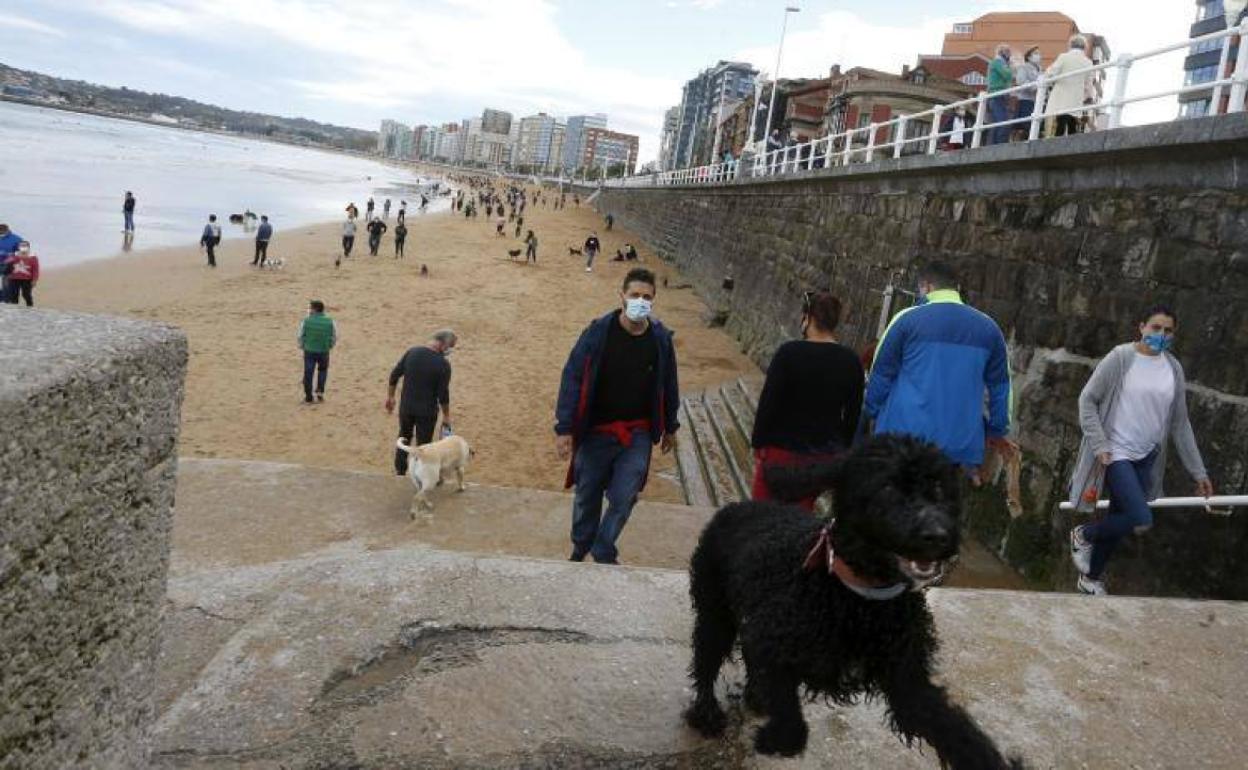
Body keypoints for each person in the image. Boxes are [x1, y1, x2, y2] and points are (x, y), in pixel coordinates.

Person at [1067, 305, 1214, 596]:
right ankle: (1083, 534)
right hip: (1116, 454)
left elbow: (1180, 424)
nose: (1161, 335)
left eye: (1168, 330)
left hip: (1146, 457)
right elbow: (1088, 400)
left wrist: (1199, 472)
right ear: (1141, 327)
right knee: (1140, 517)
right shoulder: (1121, 359)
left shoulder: (1173, 369)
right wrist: (1100, 445)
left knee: (1118, 521)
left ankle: (1091, 579)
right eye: (1156, 327)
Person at [554, 267, 680, 564]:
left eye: (646, 297)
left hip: (636, 433)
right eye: (634, 295)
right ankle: (581, 545)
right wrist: (564, 428)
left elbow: (669, 383)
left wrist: (671, 426)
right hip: (595, 430)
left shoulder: (660, 340)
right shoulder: (597, 333)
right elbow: (571, 377)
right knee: (587, 495)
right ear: (621, 296)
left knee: (625, 495)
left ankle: (603, 547)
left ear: (654, 301)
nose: (640, 301)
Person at [864, 261, 1011, 468]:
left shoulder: (906, 320)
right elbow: (1000, 386)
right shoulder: (989, 328)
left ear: (927, 286)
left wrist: (871, 411)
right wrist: (996, 428)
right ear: (956, 288)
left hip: (902, 439)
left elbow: (881, 375)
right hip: (959, 446)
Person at [751, 292, 863, 510]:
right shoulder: (851, 361)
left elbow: (769, 402)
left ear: (808, 318)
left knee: (759, 515)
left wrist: (758, 443)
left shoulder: (788, 353)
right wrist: (839, 450)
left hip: (780, 451)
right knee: (799, 516)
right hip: (819, 457)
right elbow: (853, 415)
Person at [386, 330, 457, 475]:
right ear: (443, 344)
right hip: (427, 412)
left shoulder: (412, 352)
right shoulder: (443, 365)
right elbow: (443, 394)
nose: (450, 350)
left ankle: (400, 470)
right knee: (424, 444)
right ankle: (420, 473)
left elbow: (394, 375)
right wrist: (446, 415)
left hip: (406, 407)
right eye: (451, 346)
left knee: (403, 436)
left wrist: (391, 397)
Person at [1046, 35, 1094, 137]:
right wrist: (1089, 97)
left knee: (1059, 125)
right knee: (1072, 124)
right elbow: (1089, 84)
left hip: (1061, 96)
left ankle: (1055, 147)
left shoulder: (1064, 57)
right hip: (1076, 98)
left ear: (1071, 45)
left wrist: (1046, 82)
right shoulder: (1088, 62)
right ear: (1084, 47)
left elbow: (1051, 73)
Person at [297, 300, 337, 404]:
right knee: (323, 371)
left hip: (309, 350)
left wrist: (302, 346)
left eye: (310, 308)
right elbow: (334, 336)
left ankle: (308, 397)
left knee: (308, 373)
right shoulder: (330, 321)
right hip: (324, 350)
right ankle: (320, 392)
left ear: (314, 309)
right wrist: (330, 346)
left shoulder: (306, 321)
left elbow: (300, 336)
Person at [986, 43, 1014, 145]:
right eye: (1007, 52)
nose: (1009, 54)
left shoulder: (999, 63)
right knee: (1002, 121)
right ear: (1001, 52)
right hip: (996, 95)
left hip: (999, 96)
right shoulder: (997, 62)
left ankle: (994, 144)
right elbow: (1007, 75)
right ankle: (998, 145)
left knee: (998, 122)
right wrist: (1011, 67)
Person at [1015, 47, 1043, 138]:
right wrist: (1034, 87)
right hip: (1026, 100)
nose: (1038, 56)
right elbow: (1021, 81)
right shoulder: (1024, 67)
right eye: (1035, 53)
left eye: (1039, 53)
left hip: (1037, 101)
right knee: (1026, 125)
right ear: (1029, 57)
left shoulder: (1040, 70)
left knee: (1036, 124)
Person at [3, 241, 39, 306]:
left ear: (28, 247)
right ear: (19, 247)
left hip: (27, 279)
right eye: (21, 246)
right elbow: (6, 262)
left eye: (25, 246)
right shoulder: (14, 255)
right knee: (14, 294)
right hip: (13, 278)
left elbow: (35, 269)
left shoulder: (33, 257)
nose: (23, 247)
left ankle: (30, 305)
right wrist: (15, 257)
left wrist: (34, 280)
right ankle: (15, 308)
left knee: (26, 294)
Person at [0, 223, 23, 301]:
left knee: (6, 285)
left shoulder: (17, 239)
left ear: (7, 230)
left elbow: (22, 252)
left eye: (2, 232)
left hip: (9, 265)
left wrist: (12, 258)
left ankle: (6, 303)